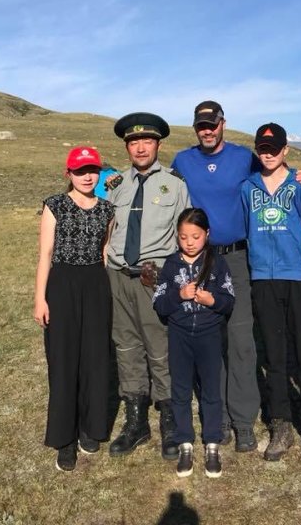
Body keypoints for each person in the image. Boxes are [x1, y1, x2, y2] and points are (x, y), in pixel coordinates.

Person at [171, 101, 260, 451]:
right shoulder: (183, 161)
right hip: (201, 261)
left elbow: (271, 175)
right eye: (201, 126)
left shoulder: (244, 157)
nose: (207, 131)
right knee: (210, 344)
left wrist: (300, 175)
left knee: (240, 342)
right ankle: (217, 414)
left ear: (223, 124)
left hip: (236, 259)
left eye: (212, 124)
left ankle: (244, 420)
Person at [106, 112, 190, 461]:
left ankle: (171, 423)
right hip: (117, 276)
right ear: (127, 147)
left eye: (147, 141)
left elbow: (187, 237)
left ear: (158, 144)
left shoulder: (175, 184)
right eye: (133, 142)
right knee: (126, 347)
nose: (140, 147)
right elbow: (107, 229)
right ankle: (136, 422)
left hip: (154, 276)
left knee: (160, 347)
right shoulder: (115, 186)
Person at [241, 123, 301, 463]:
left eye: (274, 147)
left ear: (286, 149)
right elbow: (246, 228)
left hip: (298, 277)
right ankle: (280, 424)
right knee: (273, 355)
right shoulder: (247, 187)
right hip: (263, 278)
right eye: (263, 147)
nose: (268, 152)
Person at [33, 146, 114, 472]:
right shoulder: (54, 205)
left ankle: (89, 428)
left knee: (95, 358)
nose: (87, 176)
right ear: (69, 173)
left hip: (95, 284)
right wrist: (40, 298)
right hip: (62, 284)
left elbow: (105, 252)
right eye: (80, 171)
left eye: (92, 169)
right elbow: (45, 254)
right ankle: (64, 438)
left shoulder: (108, 209)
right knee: (64, 360)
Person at [153, 208, 235, 478]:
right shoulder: (170, 265)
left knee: (211, 389)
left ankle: (212, 441)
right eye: (183, 237)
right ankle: (185, 440)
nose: (189, 242)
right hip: (179, 336)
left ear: (207, 234)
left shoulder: (218, 263)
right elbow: (160, 304)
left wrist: (213, 301)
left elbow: (229, 300)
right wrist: (179, 295)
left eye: (196, 236)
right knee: (180, 389)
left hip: (210, 335)